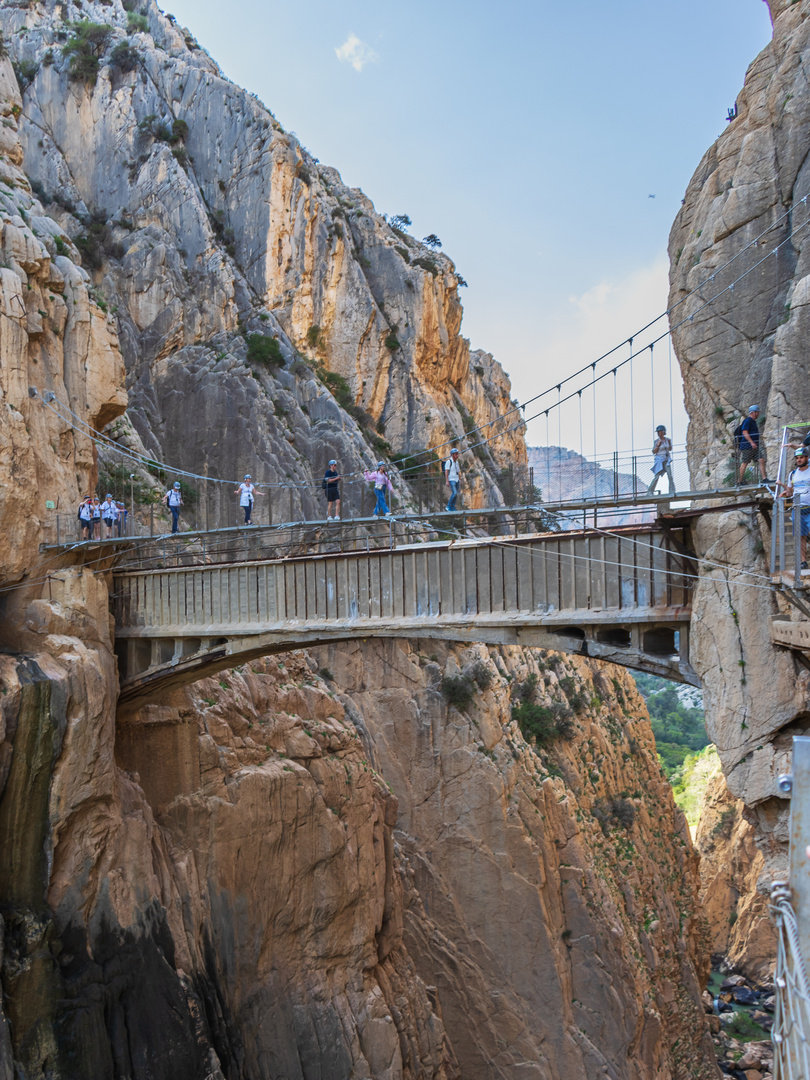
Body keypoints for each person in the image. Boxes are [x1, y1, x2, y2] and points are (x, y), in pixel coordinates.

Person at [781, 446, 810, 569]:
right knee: (800, 535)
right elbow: (791, 491)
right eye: (797, 458)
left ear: (807, 458)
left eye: (801, 457)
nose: (799, 460)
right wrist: (786, 493)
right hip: (797, 508)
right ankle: (803, 562)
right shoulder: (792, 474)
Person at [737, 405, 769, 485]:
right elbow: (744, 432)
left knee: (761, 460)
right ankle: (739, 481)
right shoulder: (747, 421)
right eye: (757, 412)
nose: (758, 414)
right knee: (745, 463)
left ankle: (765, 479)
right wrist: (751, 442)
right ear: (753, 412)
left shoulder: (753, 422)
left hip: (754, 446)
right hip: (747, 446)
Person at [647, 426, 675, 495]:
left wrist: (670, 443)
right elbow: (654, 451)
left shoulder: (668, 440)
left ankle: (672, 491)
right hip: (659, 460)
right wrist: (658, 445)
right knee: (657, 476)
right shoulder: (656, 442)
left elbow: (670, 449)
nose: (659, 434)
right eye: (658, 432)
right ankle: (650, 491)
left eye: (660, 432)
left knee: (670, 476)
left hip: (666, 459)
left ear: (663, 432)